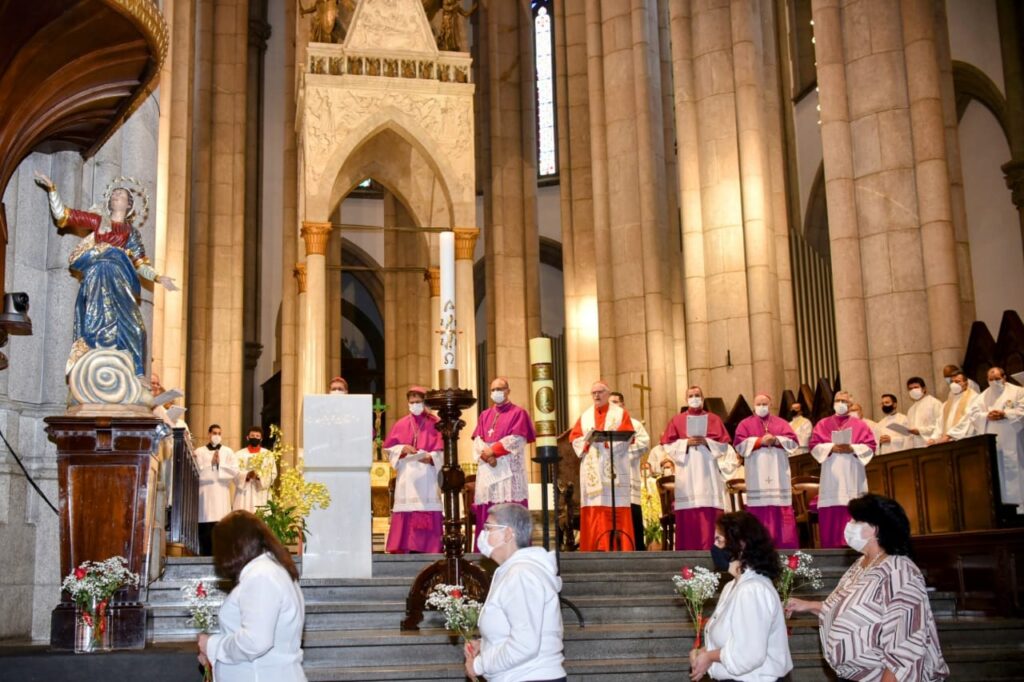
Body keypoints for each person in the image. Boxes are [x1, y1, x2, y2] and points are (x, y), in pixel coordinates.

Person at [786, 494, 949, 681]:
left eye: (856, 520)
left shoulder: (899, 571)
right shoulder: (862, 563)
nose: (850, 525)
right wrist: (806, 605)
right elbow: (847, 608)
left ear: (876, 529)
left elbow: (905, 645)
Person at [34, 172, 178, 377]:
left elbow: (140, 263)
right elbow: (63, 215)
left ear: (129, 205)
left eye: (121, 194)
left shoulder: (131, 232)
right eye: (114, 193)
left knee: (136, 329)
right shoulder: (98, 221)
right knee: (95, 322)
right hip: (97, 276)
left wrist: (157, 277)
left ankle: (136, 374)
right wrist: (52, 189)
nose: (116, 196)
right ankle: (94, 367)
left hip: (121, 281)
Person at [198, 510, 306, 682]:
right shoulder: (271, 570)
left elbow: (255, 641)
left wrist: (212, 645)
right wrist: (216, 657)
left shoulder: (261, 575)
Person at [464, 503, 566, 682]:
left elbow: (525, 643)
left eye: (489, 528)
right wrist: (486, 645)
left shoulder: (521, 575)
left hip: (529, 676)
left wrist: (479, 665)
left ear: (508, 533)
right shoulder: (513, 571)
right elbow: (518, 629)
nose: (483, 534)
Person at [688, 511, 793, 682]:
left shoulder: (753, 590)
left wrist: (709, 657)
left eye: (719, 540)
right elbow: (730, 639)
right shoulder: (732, 586)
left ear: (741, 544)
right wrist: (703, 652)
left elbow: (749, 654)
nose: (714, 547)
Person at [660, 386, 737, 550]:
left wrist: (707, 442)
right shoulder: (677, 420)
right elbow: (667, 445)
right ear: (686, 399)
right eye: (691, 395)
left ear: (702, 398)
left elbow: (724, 446)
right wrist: (685, 442)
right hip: (686, 472)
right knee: (689, 514)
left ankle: (713, 551)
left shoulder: (714, 419)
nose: (694, 398)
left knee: (709, 513)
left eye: (697, 395)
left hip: (707, 471)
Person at [568, 381, 636, 551]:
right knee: (594, 507)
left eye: (600, 392)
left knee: (615, 507)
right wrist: (587, 443)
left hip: (615, 470)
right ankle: (594, 547)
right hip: (592, 469)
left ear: (608, 393)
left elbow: (628, 436)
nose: (596, 396)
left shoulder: (620, 414)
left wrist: (606, 444)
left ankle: (618, 547)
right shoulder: (585, 416)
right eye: (594, 393)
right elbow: (574, 438)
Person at [471, 377, 536, 550]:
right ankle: (486, 551)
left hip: (508, 473)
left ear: (508, 391)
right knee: (488, 509)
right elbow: (477, 439)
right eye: (493, 390)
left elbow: (517, 439)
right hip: (488, 471)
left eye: (500, 389)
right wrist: (487, 455)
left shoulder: (518, 413)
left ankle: (513, 549)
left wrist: (494, 451)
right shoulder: (485, 415)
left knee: (509, 508)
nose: (496, 393)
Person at [809, 392, 877, 548]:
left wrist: (852, 448)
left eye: (844, 401)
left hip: (853, 473)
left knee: (854, 505)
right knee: (832, 507)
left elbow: (871, 446)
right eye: (837, 400)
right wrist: (831, 447)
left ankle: (856, 545)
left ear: (850, 405)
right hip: (831, 475)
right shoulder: (822, 424)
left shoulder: (860, 425)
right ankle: (832, 545)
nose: (840, 403)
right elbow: (814, 445)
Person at [732, 393, 799, 549]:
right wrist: (759, 441)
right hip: (757, 474)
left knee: (780, 507)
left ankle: (784, 547)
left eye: (765, 403)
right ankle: (757, 546)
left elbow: (794, 442)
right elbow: (739, 446)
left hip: (778, 473)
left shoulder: (781, 423)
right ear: (754, 406)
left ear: (770, 405)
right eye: (759, 404)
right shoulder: (745, 424)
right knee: (758, 509)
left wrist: (776, 440)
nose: (762, 407)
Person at [384, 387, 444, 553]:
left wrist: (430, 457)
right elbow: (389, 449)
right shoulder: (401, 423)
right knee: (406, 507)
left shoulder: (435, 423)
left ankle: (428, 547)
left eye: (418, 402)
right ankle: (402, 546)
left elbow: (443, 451)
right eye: (412, 402)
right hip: (407, 476)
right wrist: (402, 448)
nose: (415, 405)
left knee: (426, 506)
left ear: (425, 402)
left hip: (426, 475)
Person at [967, 367, 1024, 513]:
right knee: (998, 473)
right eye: (991, 380)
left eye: (997, 379)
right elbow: (973, 414)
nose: (994, 382)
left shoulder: (1018, 392)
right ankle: (1004, 510)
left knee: (1017, 470)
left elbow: (1022, 411)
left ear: (1004, 377)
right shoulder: (983, 396)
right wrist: (987, 415)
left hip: (1014, 439)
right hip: (994, 443)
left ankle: (1021, 509)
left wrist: (1005, 413)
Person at [609, 391, 651, 552]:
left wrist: (621, 453)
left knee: (633, 516)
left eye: (616, 402)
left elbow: (643, 444)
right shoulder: (605, 426)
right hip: (609, 481)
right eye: (610, 402)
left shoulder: (634, 424)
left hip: (628, 477)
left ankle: (637, 550)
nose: (613, 405)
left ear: (623, 404)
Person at [194, 424, 238, 555]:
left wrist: (219, 464)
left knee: (221, 525)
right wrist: (211, 464)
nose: (217, 436)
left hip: (221, 493)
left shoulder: (228, 452)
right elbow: (195, 471)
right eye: (214, 433)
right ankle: (204, 554)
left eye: (219, 433)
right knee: (205, 526)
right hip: (205, 494)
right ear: (208, 434)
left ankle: (221, 555)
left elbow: (234, 470)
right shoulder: (199, 452)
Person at [234, 426, 277, 513]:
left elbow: (273, 474)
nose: (255, 438)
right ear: (247, 437)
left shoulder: (268, 455)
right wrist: (246, 475)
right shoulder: (238, 454)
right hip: (244, 494)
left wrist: (259, 476)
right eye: (252, 436)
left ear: (261, 439)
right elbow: (234, 472)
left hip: (260, 493)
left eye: (257, 436)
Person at [933, 370, 977, 443]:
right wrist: (933, 438)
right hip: (947, 442)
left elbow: (968, 419)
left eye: (957, 381)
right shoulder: (947, 403)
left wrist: (950, 435)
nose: (954, 384)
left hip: (965, 440)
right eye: (952, 382)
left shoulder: (973, 398)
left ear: (966, 383)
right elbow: (940, 422)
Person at [905, 377, 942, 449]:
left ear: (924, 389)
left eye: (916, 387)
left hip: (931, 444)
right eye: (910, 389)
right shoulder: (910, 410)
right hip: (915, 446)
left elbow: (940, 425)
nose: (913, 390)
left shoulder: (934, 403)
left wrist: (920, 431)